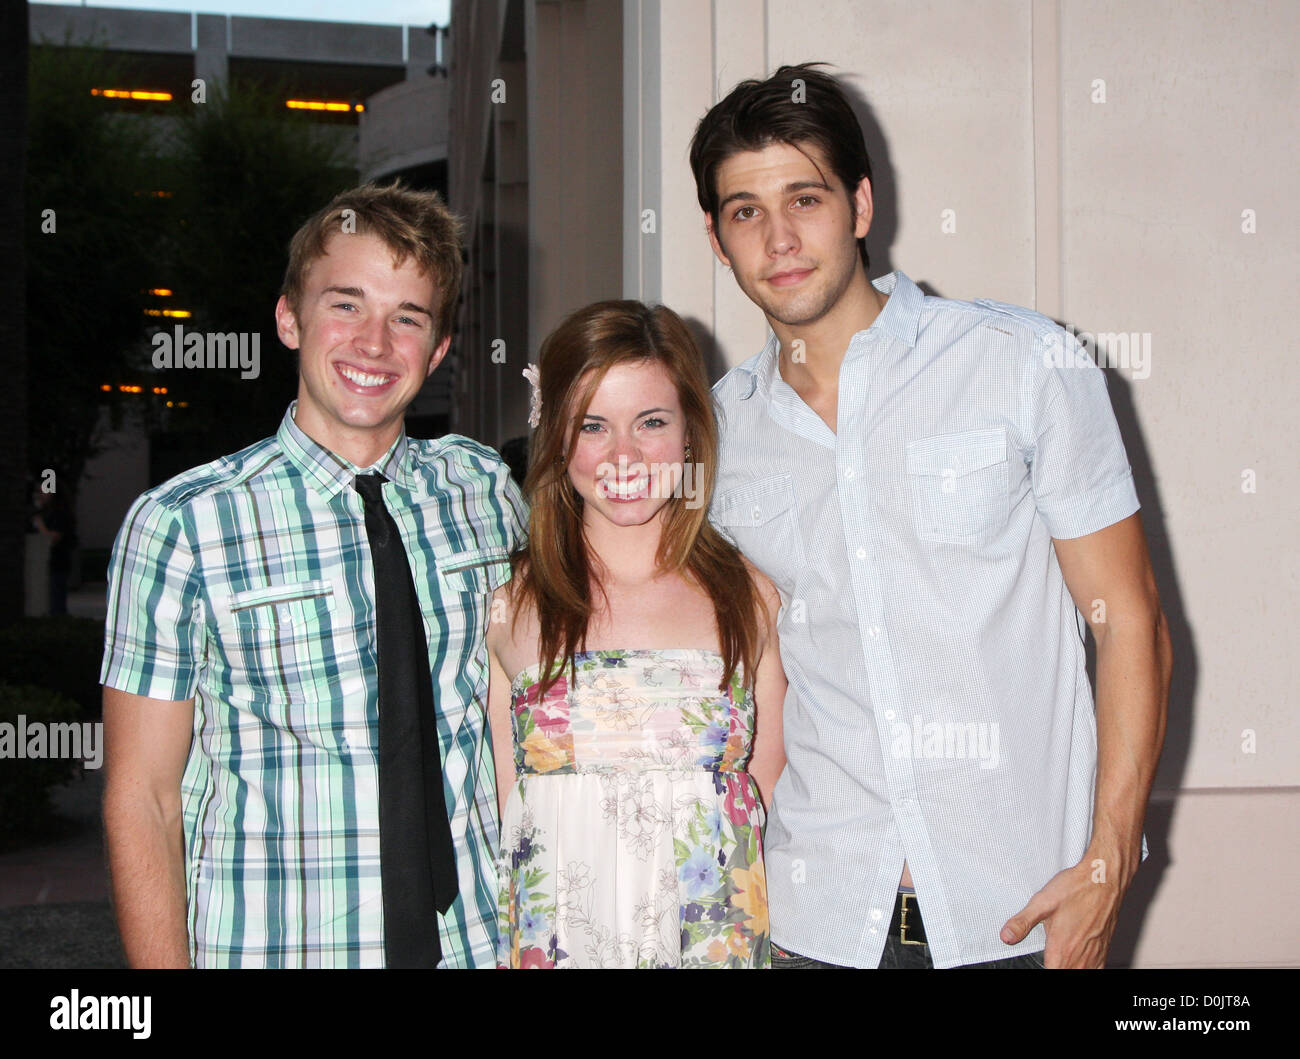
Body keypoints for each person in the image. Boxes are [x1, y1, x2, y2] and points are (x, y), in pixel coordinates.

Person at [689, 64, 1172, 969]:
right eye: (746, 212)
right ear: (717, 240)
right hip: (814, 918)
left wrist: (1109, 861)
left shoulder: (1027, 364)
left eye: (807, 197)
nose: (781, 237)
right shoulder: (720, 431)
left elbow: (1132, 620)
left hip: (1018, 916)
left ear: (861, 206)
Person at [100, 183, 525, 968]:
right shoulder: (182, 524)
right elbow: (143, 798)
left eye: (408, 317)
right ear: (289, 318)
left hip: (477, 946)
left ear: (437, 351)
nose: (374, 342)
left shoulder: (486, 491)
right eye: (346, 304)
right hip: (274, 948)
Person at [487, 300, 786, 968]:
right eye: (593, 425)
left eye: (651, 421)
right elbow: (505, 823)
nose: (623, 454)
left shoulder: (751, 598)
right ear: (558, 437)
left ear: (689, 431)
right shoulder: (510, 607)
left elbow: (770, 821)